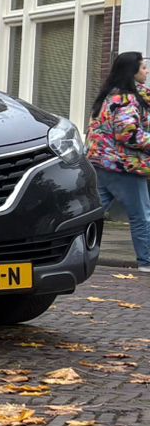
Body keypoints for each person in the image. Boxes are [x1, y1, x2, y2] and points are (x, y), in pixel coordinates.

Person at [88, 50, 150, 271]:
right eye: (143, 68)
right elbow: (128, 134)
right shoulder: (128, 99)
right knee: (141, 216)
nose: (147, 72)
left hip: (100, 162)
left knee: (91, 214)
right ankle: (147, 262)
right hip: (123, 165)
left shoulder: (107, 96)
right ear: (132, 72)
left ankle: (77, 254)